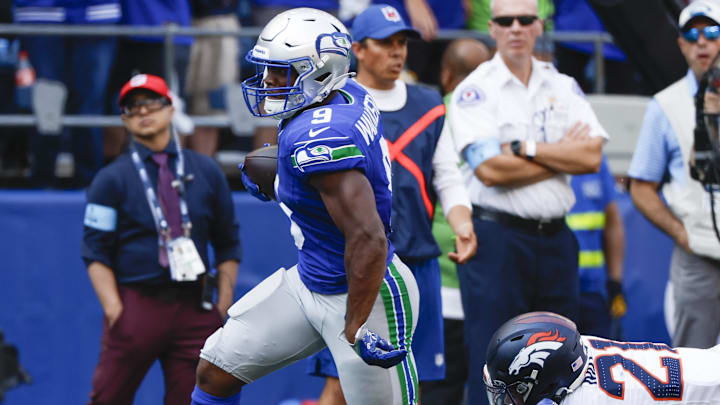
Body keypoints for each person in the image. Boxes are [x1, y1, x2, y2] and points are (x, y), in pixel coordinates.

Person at [191, 8, 420, 405]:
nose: (268, 82)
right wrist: (282, 177)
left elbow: (368, 237)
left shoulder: (322, 139)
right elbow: (325, 184)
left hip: (366, 294)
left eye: (282, 72)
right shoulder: (348, 92)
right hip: (312, 280)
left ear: (319, 70)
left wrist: (354, 326)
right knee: (215, 370)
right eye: (267, 70)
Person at [305, 6, 478, 404]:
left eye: (402, 43)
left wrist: (463, 223)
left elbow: (447, 174)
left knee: (411, 381)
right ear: (358, 50)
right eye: (385, 43)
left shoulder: (429, 102)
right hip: (352, 263)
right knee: (340, 383)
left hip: (417, 260)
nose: (397, 52)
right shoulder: (331, 104)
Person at [446, 0, 607, 403]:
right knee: (489, 358)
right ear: (493, 28)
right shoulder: (475, 89)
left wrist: (523, 147)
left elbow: (591, 157)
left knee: (568, 359)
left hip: (556, 239)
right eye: (504, 20)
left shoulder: (564, 85)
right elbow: (491, 172)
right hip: (497, 239)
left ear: (540, 25)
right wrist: (557, 157)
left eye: (525, 19)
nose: (515, 27)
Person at [82, 74, 241, 405]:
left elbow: (228, 243)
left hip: (196, 306)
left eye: (152, 102)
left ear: (171, 109)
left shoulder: (206, 170)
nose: (143, 112)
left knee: (193, 399)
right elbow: (95, 252)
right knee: (108, 397)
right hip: (137, 304)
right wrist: (115, 309)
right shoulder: (110, 179)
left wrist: (221, 305)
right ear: (124, 120)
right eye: (132, 107)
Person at [628, 0, 720, 349]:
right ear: (680, 44)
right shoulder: (665, 105)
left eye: (712, 32)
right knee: (694, 362)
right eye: (691, 34)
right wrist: (683, 235)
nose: (702, 42)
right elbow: (641, 186)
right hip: (698, 257)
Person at [421, 37, 490, 405]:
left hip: (440, 282)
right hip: (495, 282)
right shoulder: (504, 118)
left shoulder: (428, 119)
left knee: (437, 391)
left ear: (447, 76)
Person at [483, 311, 720, 405]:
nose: (506, 400)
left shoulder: (586, 399)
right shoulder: (578, 347)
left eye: (514, 392)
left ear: (548, 382)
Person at [14, 0, 119, 187]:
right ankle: (42, 180)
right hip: (40, 12)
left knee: (89, 103)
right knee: (48, 100)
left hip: (96, 14)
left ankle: (90, 183)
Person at [567, 156, 626, 338]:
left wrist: (615, 281)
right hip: (553, 289)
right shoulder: (541, 153)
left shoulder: (596, 160)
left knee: (600, 359)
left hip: (594, 290)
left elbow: (613, 224)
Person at [185, 0, 240, 157]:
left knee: (208, 106)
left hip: (213, 21)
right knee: (174, 103)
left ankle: (201, 171)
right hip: (172, 21)